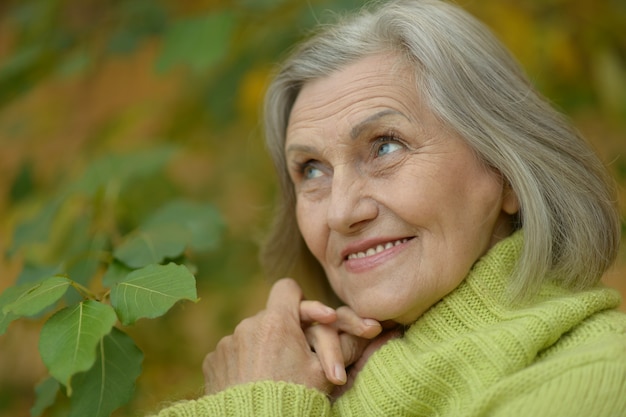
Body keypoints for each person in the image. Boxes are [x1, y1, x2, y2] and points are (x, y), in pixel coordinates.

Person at [151, 0, 626, 415]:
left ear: (506, 171)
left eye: (385, 147)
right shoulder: (300, 385)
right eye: (312, 170)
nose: (340, 212)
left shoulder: (601, 377)